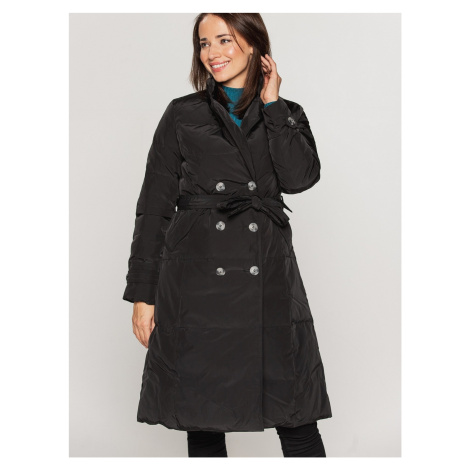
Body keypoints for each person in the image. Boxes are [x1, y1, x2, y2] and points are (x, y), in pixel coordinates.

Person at [123, 13, 332, 457]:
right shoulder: (182, 114)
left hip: (269, 283)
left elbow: (300, 179)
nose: (212, 53)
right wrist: (143, 294)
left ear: (254, 44)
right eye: (204, 43)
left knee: (296, 418)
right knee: (202, 420)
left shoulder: (286, 113)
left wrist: (273, 105)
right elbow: (154, 208)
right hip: (198, 283)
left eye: (224, 40)